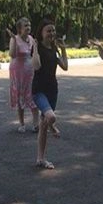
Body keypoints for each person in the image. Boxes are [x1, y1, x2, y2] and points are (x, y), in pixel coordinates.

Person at [31, 19, 68, 169]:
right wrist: (35, 47)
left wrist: (63, 49)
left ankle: (41, 159)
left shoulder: (53, 48)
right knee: (51, 117)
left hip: (52, 90)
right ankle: (52, 126)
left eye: (53, 30)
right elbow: (36, 66)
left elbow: (65, 66)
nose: (52, 33)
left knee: (43, 126)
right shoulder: (37, 48)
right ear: (41, 33)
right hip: (39, 91)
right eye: (48, 31)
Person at [6, 18, 39, 133]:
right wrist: (14, 40)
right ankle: (22, 123)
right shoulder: (14, 39)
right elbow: (12, 54)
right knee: (20, 96)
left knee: (32, 95)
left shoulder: (31, 39)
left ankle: (36, 124)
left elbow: (34, 54)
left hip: (29, 71)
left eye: (29, 25)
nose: (28, 27)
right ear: (19, 28)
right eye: (25, 26)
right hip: (17, 72)